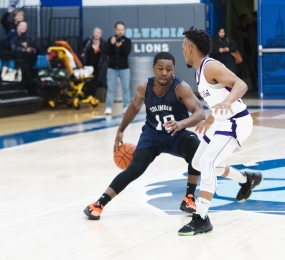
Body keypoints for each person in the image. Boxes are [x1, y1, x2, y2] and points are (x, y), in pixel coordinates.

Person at [83, 52, 206, 220]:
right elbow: (134, 108)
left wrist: (182, 124)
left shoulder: (181, 87)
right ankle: (99, 204)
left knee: (195, 147)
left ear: (174, 70)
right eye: (160, 68)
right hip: (152, 135)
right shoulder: (144, 87)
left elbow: (200, 114)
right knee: (135, 169)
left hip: (175, 134)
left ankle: (189, 198)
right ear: (153, 68)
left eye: (168, 69)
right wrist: (120, 130)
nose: (164, 73)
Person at [178, 27, 262, 236]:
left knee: (208, 162)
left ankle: (202, 217)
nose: (182, 51)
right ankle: (245, 179)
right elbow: (216, 101)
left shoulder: (211, 66)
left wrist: (227, 101)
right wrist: (210, 119)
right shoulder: (199, 71)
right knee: (197, 162)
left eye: (182, 48)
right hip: (220, 122)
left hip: (236, 122)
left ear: (189, 48)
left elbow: (240, 84)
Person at [104, 21, 132, 115]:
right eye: (118, 29)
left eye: (122, 29)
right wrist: (112, 44)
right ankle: (108, 107)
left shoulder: (127, 41)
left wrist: (120, 46)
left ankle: (126, 106)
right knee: (111, 89)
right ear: (115, 30)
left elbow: (126, 52)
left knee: (126, 88)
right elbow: (107, 52)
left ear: (124, 30)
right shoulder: (110, 39)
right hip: (112, 68)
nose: (120, 31)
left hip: (124, 68)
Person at [233, 14, 258, 93]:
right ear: (242, 20)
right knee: (239, 71)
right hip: (240, 53)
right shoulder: (237, 30)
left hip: (250, 52)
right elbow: (234, 41)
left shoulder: (251, 30)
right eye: (246, 19)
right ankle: (239, 87)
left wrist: (255, 50)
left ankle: (254, 86)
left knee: (252, 70)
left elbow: (255, 40)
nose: (248, 20)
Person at [81, 27, 107, 99]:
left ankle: (93, 96)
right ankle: (87, 96)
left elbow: (105, 55)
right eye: (95, 32)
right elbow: (82, 49)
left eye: (98, 33)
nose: (96, 34)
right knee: (87, 81)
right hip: (88, 65)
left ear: (101, 34)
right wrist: (83, 54)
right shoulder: (88, 42)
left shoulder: (103, 44)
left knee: (95, 81)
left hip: (97, 66)